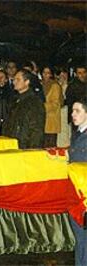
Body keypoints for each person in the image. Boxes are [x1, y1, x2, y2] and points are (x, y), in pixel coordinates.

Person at [3, 70, 46, 149]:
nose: (14, 82)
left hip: (24, 146)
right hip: (12, 145)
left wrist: (32, 149)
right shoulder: (14, 100)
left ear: (27, 82)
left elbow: (36, 130)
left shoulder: (34, 102)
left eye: (18, 79)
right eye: (14, 79)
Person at [68, 97, 87, 266]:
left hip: (85, 198)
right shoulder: (77, 134)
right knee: (80, 239)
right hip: (75, 196)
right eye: (72, 110)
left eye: (77, 111)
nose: (72, 114)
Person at [41, 66, 63, 147]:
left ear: (51, 74)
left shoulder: (55, 86)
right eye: (44, 72)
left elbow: (55, 104)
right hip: (42, 121)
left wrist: (41, 107)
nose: (46, 75)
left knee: (51, 146)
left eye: (48, 73)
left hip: (52, 121)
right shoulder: (40, 84)